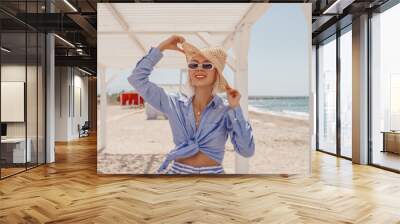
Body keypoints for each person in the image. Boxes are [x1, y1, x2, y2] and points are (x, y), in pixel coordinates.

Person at [128, 35, 255, 174]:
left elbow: (246, 150)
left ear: (216, 73)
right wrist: (161, 48)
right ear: (189, 71)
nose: (199, 69)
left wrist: (236, 108)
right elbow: (137, 78)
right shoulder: (173, 103)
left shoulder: (226, 110)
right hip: (177, 174)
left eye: (207, 65)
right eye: (193, 64)